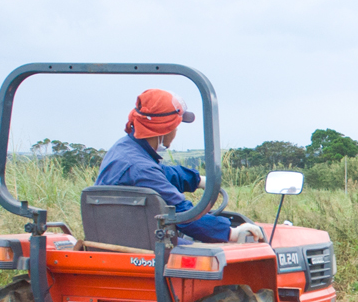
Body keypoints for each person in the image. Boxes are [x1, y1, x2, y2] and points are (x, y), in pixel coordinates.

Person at [96, 89, 257, 244]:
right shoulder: (140, 168)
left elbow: (162, 173)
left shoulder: (125, 149)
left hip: (123, 236)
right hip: (140, 245)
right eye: (176, 127)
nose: (176, 131)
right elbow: (183, 215)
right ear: (165, 130)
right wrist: (231, 233)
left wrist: (197, 180)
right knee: (206, 253)